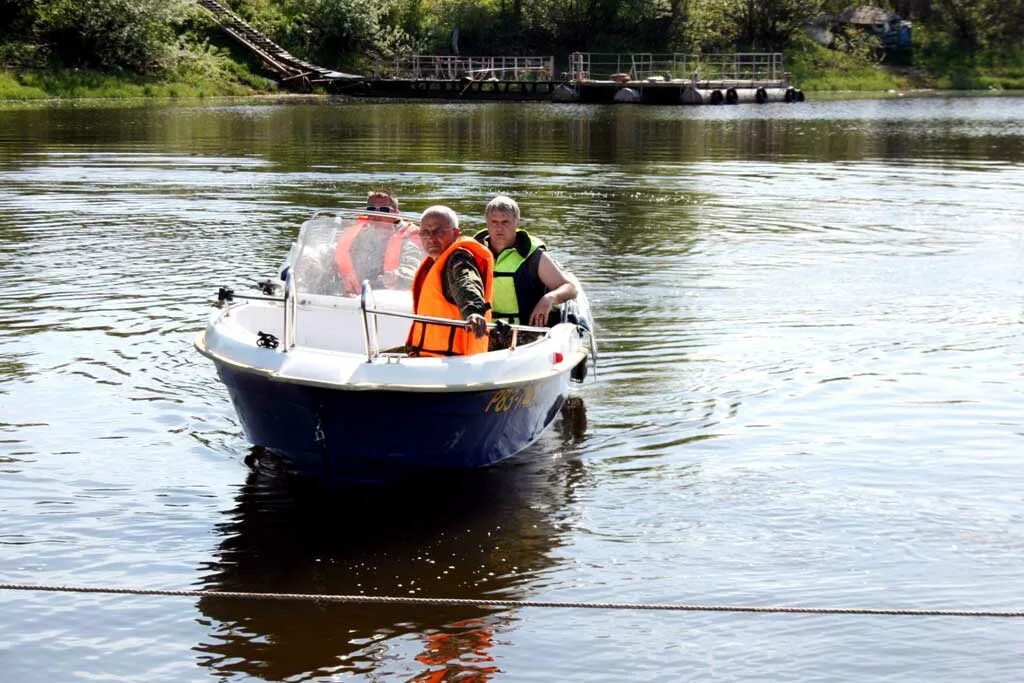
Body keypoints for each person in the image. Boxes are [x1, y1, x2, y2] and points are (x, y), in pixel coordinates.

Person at [474, 195, 577, 348]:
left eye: (505, 222)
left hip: (526, 333)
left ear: (517, 222)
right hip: (484, 332)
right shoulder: (473, 253)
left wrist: (549, 298)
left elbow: (570, 288)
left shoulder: (534, 256)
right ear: (487, 223)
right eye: (494, 222)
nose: (499, 228)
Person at [406, 206, 494, 357]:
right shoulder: (435, 261)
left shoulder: (458, 259)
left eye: (438, 232)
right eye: (425, 232)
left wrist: (473, 312)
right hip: (429, 356)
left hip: (453, 362)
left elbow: (466, 281)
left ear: (455, 233)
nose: (431, 238)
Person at [334, 188, 422, 294]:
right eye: (371, 209)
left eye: (384, 210)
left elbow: (412, 267)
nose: (377, 215)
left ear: (396, 214)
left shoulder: (406, 240)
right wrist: (313, 256)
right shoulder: (358, 236)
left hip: (387, 299)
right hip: (353, 296)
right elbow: (336, 249)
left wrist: (397, 275)